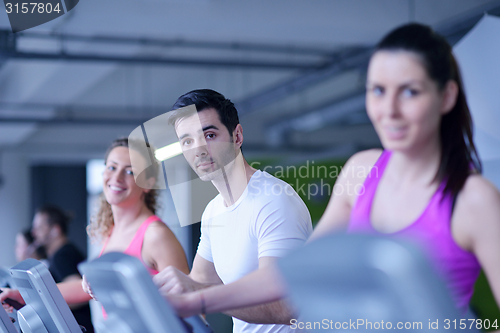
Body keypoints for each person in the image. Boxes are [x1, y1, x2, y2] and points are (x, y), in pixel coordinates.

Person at [158, 23, 500, 319]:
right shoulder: (361, 171)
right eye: (378, 91)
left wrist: (200, 296)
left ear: (447, 96)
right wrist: (196, 296)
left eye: (410, 92)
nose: (389, 110)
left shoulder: (474, 200)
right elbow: (293, 274)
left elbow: (284, 303)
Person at [153, 89, 313, 333]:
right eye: (187, 141)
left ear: (237, 136)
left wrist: (199, 293)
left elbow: (287, 308)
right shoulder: (212, 211)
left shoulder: (273, 200)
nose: (199, 149)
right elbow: (197, 284)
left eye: (209, 134)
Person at [1, 138, 189, 327]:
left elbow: (191, 309)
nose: (117, 178)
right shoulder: (113, 232)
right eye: (112, 167)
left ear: (148, 182)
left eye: (130, 171)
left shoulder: (155, 234)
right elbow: (85, 289)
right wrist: (26, 296)